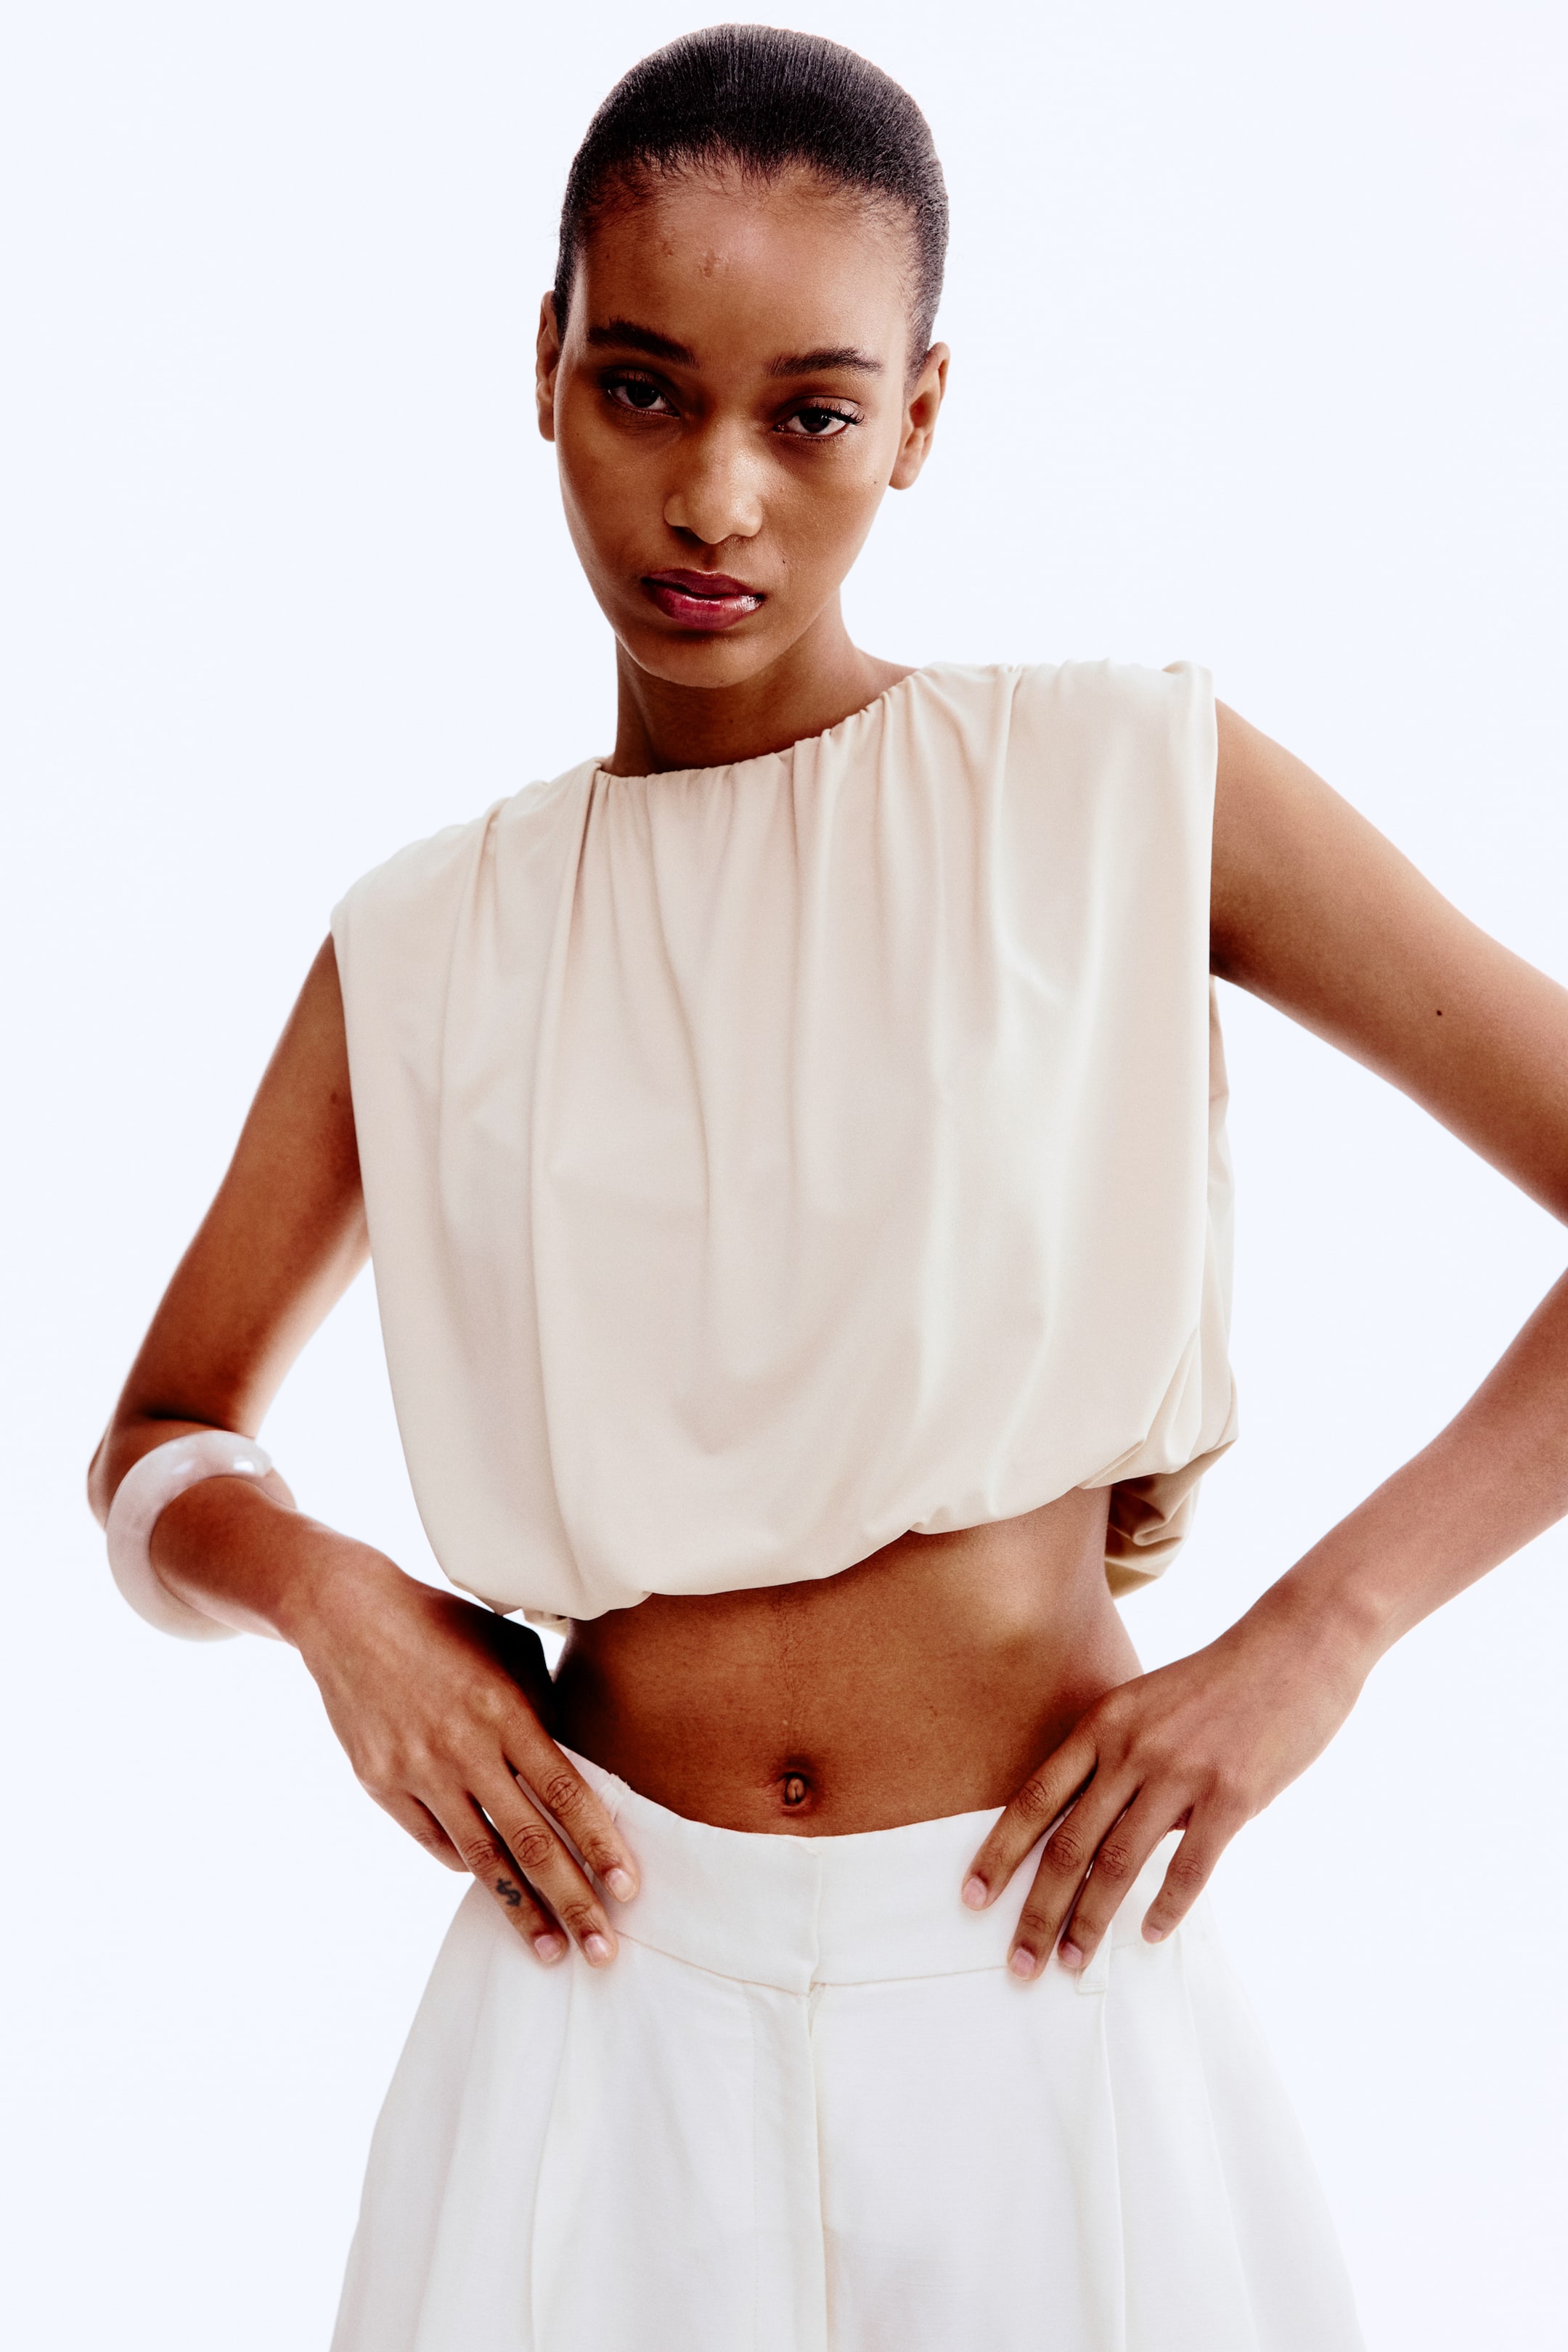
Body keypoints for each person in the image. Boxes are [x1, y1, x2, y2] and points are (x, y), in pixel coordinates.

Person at [89, 25, 1568, 2352]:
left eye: (813, 415)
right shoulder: (426, 939)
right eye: (644, 390)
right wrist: (324, 1599)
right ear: (545, 366)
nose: (717, 502)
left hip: (1039, 1965)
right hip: (589, 1998)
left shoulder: (1122, 785)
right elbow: (159, 1438)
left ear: (922, 417)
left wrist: (1325, 1634)